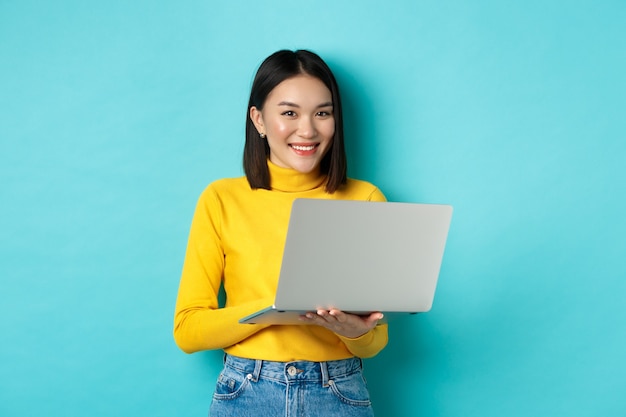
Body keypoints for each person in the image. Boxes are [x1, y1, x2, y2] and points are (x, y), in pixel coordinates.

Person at [174, 49, 388, 417]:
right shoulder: (221, 199)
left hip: (338, 391)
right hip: (247, 390)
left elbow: (376, 340)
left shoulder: (365, 198)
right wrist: (276, 307)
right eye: (289, 113)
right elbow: (188, 330)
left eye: (323, 113)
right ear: (258, 119)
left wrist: (353, 330)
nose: (307, 130)